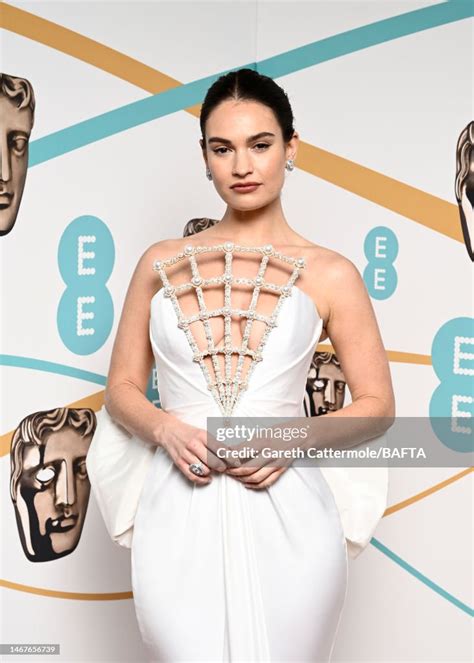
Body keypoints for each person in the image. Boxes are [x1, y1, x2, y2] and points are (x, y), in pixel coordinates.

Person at [104, 68, 395, 662]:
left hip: (290, 513)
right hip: (178, 505)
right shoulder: (160, 263)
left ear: (292, 149)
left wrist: (295, 436)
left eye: (260, 145)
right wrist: (162, 427)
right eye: (223, 148)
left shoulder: (330, 271)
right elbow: (122, 388)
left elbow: (378, 406)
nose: (242, 165)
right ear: (205, 156)